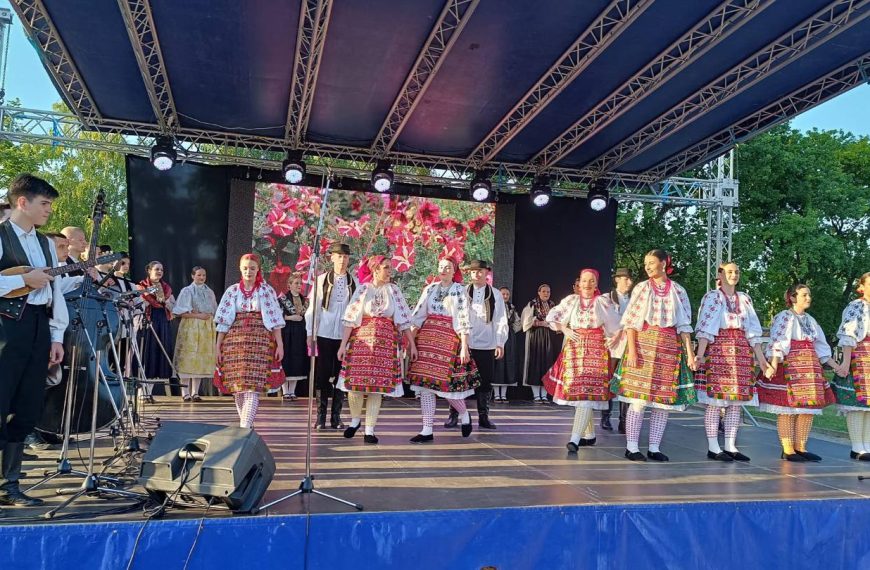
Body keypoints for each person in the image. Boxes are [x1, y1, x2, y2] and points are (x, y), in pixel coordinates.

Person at [0, 174, 69, 511]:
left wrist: (56, 335)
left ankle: (10, 485)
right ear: (22, 202)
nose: (49, 211)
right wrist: (24, 279)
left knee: (27, 406)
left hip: (39, 328)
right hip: (5, 329)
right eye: (44, 204)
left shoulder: (44, 244)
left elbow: (55, 293)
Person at [615, 249, 696, 462]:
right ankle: (632, 447)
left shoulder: (678, 290)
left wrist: (689, 354)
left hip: (669, 348)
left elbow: (684, 326)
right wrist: (632, 350)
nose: (647, 267)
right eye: (645, 263)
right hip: (644, 343)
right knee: (639, 399)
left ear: (663, 263)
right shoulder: (642, 288)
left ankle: (654, 447)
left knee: (662, 402)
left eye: (651, 262)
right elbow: (631, 321)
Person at [337, 256, 416, 444]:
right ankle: (355, 420)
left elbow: (404, 320)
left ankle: (369, 430)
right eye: (386, 268)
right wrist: (343, 344)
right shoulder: (363, 289)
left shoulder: (394, 290)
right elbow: (350, 318)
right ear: (375, 269)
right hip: (362, 340)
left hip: (385, 342)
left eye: (390, 268)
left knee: (377, 388)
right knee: (354, 384)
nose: (390, 271)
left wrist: (412, 344)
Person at [693, 262, 768, 462]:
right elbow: (706, 327)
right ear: (720, 275)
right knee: (716, 402)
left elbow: (753, 330)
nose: (733, 275)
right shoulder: (713, 297)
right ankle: (713, 446)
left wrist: (761, 359)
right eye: (729, 272)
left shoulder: (744, 298)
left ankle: (730, 445)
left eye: (736, 271)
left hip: (741, 350)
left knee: (735, 402)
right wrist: (700, 355)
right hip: (720, 349)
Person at [757, 284, 839, 462]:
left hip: (809, 367)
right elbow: (778, 342)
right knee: (787, 408)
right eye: (804, 295)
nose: (808, 298)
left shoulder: (810, 320)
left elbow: (822, 347)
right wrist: (773, 365)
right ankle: (788, 449)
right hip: (790, 365)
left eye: (809, 295)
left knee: (807, 408)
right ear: (793, 298)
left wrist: (835, 366)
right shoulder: (785, 317)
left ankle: (801, 447)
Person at [545, 268, 621, 453]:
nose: (587, 284)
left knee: (587, 395)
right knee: (580, 392)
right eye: (584, 280)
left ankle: (574, 439)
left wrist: (613, 340)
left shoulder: (603, 302)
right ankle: (590, 435)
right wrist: (564, 328)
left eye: (591, 281)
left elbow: (617, 326)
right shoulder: (571, 300)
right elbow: (552, 316)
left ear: (596, 283)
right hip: (575, 350)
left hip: (596, 350)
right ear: (579, 282)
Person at [407, 256, 479, 443]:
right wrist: (411, 342)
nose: (444, 270)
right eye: (441, 267)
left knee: (447, 388)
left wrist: (464, 346)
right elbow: (418, 315)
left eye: (448, 267)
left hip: (448, 340)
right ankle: (427, 429)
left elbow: (463, 318)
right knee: (425, 387)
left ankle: (464, 414)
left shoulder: (459, 290)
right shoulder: (430, 288)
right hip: (427, 340)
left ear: (454, 270)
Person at [214, 254, 284, 428]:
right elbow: (223, 321)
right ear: (240, 268)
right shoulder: (232, 290)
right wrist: (218, 347)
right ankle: (246, 426)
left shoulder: (266, 290)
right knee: (238, 388)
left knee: (253, 388)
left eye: (252, 268)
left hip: (260, 342)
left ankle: (244, 429)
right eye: (245, 268)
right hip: (234, 344)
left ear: (258, 269)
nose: (248, 271)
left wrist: (280, 344)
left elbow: (275, 320)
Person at [445, 260, 507, 430]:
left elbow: (501, 319)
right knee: (458, 380)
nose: (477, 274)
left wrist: (500, 342)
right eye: (473, 271)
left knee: (485, 382)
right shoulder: (462, 292)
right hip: (465, 343)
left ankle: (483, 416)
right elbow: (452, 315)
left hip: (487, 344)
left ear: (486, 272)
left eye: (480, 271)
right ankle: (454, 415)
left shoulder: (495, 294)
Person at [305, 243, 357, 430]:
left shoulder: (354, 281)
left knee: (340, 376)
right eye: (339, 256)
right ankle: (320, 416)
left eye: (345, 257)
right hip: (325, 332)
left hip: (345, 334)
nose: (342, 260)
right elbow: (314, 308)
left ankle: (336, 417)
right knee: (323, 374)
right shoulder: (321, 280)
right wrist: (311, 333)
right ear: (332, 258)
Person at [831, 272, 870, 460]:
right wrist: (846, 362)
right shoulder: (857, 306)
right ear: (861, 287)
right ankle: (857, 447)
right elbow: (848, 335)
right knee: (857, 404)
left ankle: (867, 445)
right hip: (860, 356)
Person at [172, 266, 217, 402]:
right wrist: (198, 315)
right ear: (193, 276)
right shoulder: (187, 291)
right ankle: (185, 392)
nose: (202, 277)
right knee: (188, 357)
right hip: (191, 327)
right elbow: (179, 312)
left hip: (205, 328)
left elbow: (214, 310)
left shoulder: (209, 292)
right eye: (199, 275)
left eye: (203, 275)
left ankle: (195, 392)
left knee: (200, 359)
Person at [136, 261, 176, 401]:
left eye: (162, 270)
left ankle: (149, 392)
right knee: (147, 356)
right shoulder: (141, 287)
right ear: (149, 270)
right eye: (157, 269)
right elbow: (137, 305)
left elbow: (174, 309)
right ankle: (142, 393)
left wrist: (167, 302)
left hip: (162, 324)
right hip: (148, 323)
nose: (159, 272)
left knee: (158, 357)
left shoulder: (166, 288)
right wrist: (147, 300)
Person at [601, 267, 633, 432]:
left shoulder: (634, 299)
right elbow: (604, 319)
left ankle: (624, 420)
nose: (629, 282)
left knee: (625, 383)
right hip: (612, 346)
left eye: (630, 279)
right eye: (625, 279)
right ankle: (605, 416)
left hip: (628, 346)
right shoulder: (607, 299)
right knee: (609, 381)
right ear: (617, 280)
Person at [521, 284, 561, 402]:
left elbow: (557, 321)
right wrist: (538, 323)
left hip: (548, 337)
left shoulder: (553, 306)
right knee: (535, 363)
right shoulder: (532, 304)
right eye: (543, 291)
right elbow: (526, 321)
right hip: (535, 336)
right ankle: (536, 395)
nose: (546, 294)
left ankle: (544, 394)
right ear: (539, 292)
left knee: (547, 364)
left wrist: (549, 324)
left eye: (548, 292)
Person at [277, 272, 309, 400]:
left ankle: (292, 391)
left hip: (300, 333)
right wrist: (290, 317)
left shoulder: (304, 300)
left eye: (300, 283)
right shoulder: (282, 299)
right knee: (287, 360)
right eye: (296, 283)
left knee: (297, 360)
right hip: (287, 332)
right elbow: (278, 315)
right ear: (289, 285)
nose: (299, 286)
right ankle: (285, 391)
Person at [492, 287, 521, 402]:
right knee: (498, 364)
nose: (505, 296)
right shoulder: (494, 306)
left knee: (508, 364)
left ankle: (503, 394)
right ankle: (496, 395)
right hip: (497, 336)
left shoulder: (511, 307)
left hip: (509, 338)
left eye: (507, 294)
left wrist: (512, 330)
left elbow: (518, 322)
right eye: (503, 294)